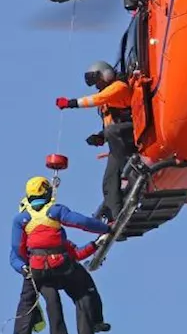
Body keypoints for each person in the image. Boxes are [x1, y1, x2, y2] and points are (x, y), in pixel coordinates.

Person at [9, 175, 112, 334]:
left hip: (38, 271)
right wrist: (105, 229)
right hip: (61, 265)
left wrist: (24, 268)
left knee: (51, 302)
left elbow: (16, 252)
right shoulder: (55, 211)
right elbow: (82, 223)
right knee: (83, 294)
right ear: (47, 192)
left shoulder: (21, 219)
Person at [56, 60, 136, 222]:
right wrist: (101, 137)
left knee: (112, 131)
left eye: (98, 82)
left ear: (105, 75)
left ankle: (131, 171)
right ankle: (117, 216)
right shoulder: (107, 101)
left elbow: (98, 99)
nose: (97, 86)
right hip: (120, 139)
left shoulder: (119, 87)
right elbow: (111, 124)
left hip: (135, 131)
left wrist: (70, 103)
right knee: (109, 180)